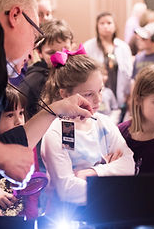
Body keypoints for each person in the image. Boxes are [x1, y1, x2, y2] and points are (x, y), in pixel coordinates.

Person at [0, 0, 93, 196]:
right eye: (35, 37)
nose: (31, 53)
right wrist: (2, 156)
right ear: (15, 15)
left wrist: (57, 109)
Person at [40, 49, 135, 206]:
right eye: (88, 94)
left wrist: (93, 172)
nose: (98, 100)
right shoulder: (56, 132)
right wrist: (114, 179)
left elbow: (128, 164)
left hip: (104, 212)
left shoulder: (104, 123)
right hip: (69, 215)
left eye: (100, 90)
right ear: (64, 94)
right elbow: (67, 190)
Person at [0, 85, 40, 219]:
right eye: (10, 115)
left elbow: (33, 187)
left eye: (21, 113)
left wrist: (31, 219)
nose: (19, 121)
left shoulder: (27, 145)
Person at [19, 19, 74, 119]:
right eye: (51, 53)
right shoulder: (34, 80)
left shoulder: (74, 73)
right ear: (40, 53)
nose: (60, 56)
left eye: (65, 50)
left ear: (72, 46)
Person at [83, 12, 133, 114]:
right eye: (102, 23)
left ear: (115, 26)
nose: (106, 26)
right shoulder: (88, 46)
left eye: (109, 23)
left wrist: (129, 95)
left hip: (120, 96)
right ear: (97, 26)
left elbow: (129, 73)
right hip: (98, 98)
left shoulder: (123, 47)